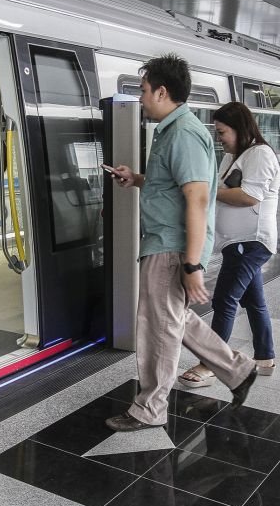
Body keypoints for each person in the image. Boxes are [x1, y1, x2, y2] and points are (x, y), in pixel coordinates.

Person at [103, 54, 257, 432]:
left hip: (171, 247)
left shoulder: (184, 133)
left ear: (162, 91)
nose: (140, 99)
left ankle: (150, 409)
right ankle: (238, 370)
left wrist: (191, 264)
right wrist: (134, 178)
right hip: (165, 243)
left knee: (159, 327)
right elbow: (171, 185)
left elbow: (198, 199)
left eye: (142, 91)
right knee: (173, 319)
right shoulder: (172, 131)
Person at [179, 102, 280, 388]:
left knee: (225, 299)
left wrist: (210, 193)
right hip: (237, 243)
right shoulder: (235, 155)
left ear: (240, 128)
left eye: (222, 132)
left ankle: (212, 363)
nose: (219, 137)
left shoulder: (259, 154)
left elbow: (250, 196)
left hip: (250, 242)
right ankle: (265, 358)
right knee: (254, 301)